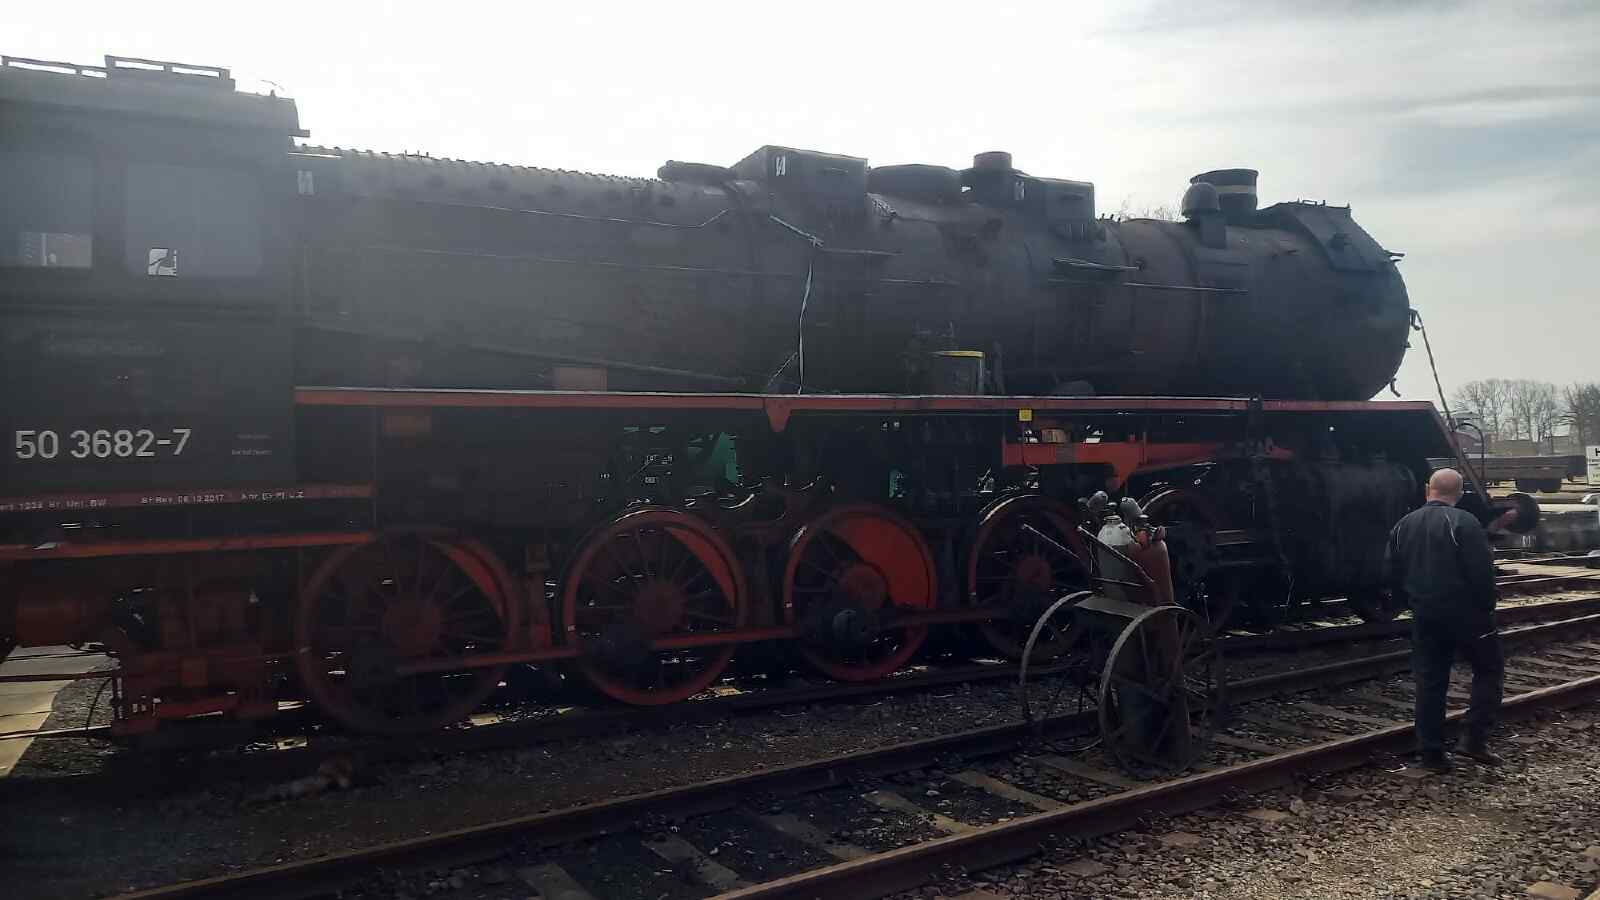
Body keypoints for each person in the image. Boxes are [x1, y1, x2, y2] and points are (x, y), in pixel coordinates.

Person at [1384, 468, 1510, 772]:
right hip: (1467, 616)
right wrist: (1486, 608)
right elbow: (1481, 573)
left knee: (1430, 681)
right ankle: (1474, 739)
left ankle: (1431, 754)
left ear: (1428, 489)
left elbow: (1390, 573)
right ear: (1461, 494)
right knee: (1489, 670)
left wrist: (1410, 603)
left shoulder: (1403, 525)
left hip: (1426, 616)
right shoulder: (1465, 522)